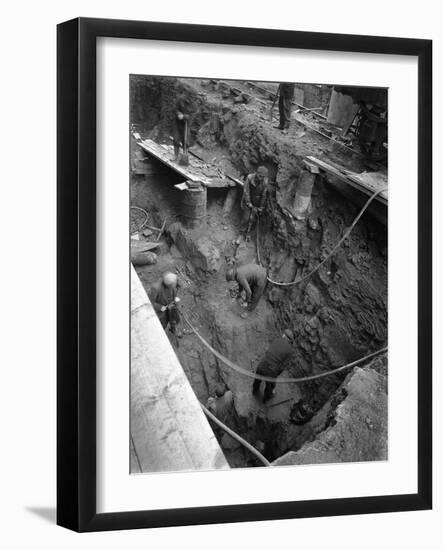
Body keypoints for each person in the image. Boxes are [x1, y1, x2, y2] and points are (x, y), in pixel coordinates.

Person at [252, 330, 294, 403]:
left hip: (262, 364)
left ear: (284, 336)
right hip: (271, 370)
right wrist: (275, 375)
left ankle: (254, 391)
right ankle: (265, 399)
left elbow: (268, 351)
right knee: (270, 386)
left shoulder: (277, 340)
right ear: (289, 340)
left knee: (257, 379)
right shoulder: (290, 351)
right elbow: (282, 367)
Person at [240, 166, 269, 235]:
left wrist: (261, 207)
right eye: (260, 176)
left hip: (257, 202)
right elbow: (246, 191)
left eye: (263, 177)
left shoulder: (265, 182)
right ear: (256, 173)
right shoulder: (249, 178)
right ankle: (241, 232)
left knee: (254, 219)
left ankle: (249, 233)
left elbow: (264, 195)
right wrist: (248, 202)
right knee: (246, 218)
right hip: (248, 199)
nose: (261, 178)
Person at [172, 95, 193, 161]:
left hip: (186, 124)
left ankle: (184, 158)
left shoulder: (194, 104)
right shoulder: (180, 99)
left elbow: (193, 115)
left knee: (186, 141)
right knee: (176, 139)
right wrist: (178, 113)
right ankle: (176, 156)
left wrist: (184, 116)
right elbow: (175, 108)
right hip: (177, 123)